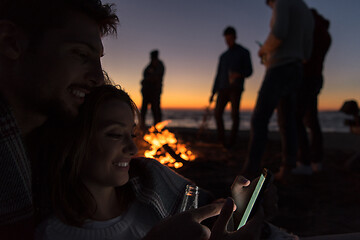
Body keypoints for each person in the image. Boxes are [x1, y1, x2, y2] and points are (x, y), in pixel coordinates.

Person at [36, 85, 265, 240]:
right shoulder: (52, 233)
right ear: (75, 142)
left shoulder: (154, 200)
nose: (133, 149)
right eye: (115, 135)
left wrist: (236, 209)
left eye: (132, 134)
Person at [0, 0, 119, 238]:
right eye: (81, 54)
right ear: (11, 42)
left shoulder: (64, 148)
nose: (99, 78)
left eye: (99, 60)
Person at [242, 0, 314, 180]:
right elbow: (307, 51)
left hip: (279, 68)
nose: (269, 6)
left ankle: (250, 169)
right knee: (287, 119)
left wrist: (264, 51)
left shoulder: (282, 2)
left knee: (260, 118)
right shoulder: (305, 9)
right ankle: (288, 166)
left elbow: (279, 33)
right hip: (296, 67)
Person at [293, 9, 332, 175]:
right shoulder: (322, 29)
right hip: (315, 77)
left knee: (297, 118)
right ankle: (317, 160)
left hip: (306, 77)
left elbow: (304, 54)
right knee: (311, 119)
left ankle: (304, 161)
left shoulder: (309, 25)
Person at [210, 26, 253, 147]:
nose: (228, 42)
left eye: (230, 39)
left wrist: (239, 74)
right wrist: (213, 92)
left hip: (235, 88)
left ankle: (232, 142)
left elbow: (249, 71)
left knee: (235, 115)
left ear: (235, 37)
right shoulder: (223, 56)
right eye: (226, 40)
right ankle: (221, 140)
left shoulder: (244, 52)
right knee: (217, 113)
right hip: (222, 89)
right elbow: (218, 75)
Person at [140, 50, 165, 128]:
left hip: (155, 92)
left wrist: (148, 79)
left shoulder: (160, 65)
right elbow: (144, 75)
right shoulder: (149, 66)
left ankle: (157, 128)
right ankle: (142, 127)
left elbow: (156, 77)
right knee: (144, 110)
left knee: (156, 110)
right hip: (146, 92)